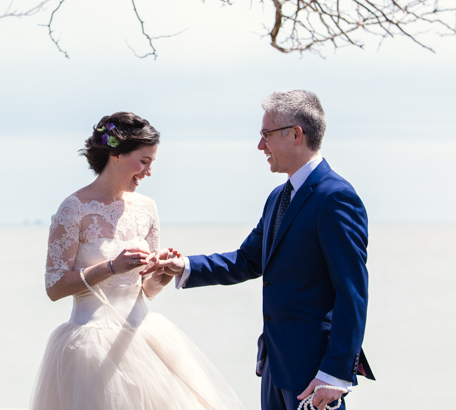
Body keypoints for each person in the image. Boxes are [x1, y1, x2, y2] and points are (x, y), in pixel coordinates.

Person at [146, 91, 374, 410]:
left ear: (295, 134)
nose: (260, 146)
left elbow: (352, 292)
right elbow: (248, 260)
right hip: (273, 367)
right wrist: (183, 265)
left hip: (314, 374)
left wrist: (335, 375)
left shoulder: (335, 198)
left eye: (265, 135)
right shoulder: (277, 198)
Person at [29, 111, 245, 410]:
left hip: (145, 338)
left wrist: (162, 274)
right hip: (90, 347)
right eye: (144, 161)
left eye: (152, 163)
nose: (149, 172)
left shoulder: (147, 208)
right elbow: (54, 287)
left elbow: (145, 290)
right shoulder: (73, 208)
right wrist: (110, 267)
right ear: (116, 154)